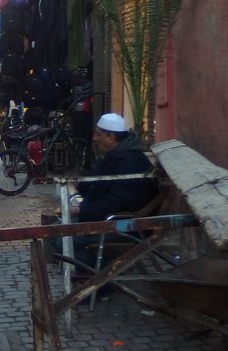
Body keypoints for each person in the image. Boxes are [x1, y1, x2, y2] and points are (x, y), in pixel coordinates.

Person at [61, 113, 158, 272]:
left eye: (98, 134)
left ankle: (103, 281)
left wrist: (81, 210)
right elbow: (97, 184)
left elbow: (119, 202)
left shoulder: (129, 162)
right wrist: (80, 186)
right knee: (55, 230)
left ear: (111, 137)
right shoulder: (115, 156)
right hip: (108, 217)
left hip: (125, 225)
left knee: (63, 240)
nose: (94, 138)